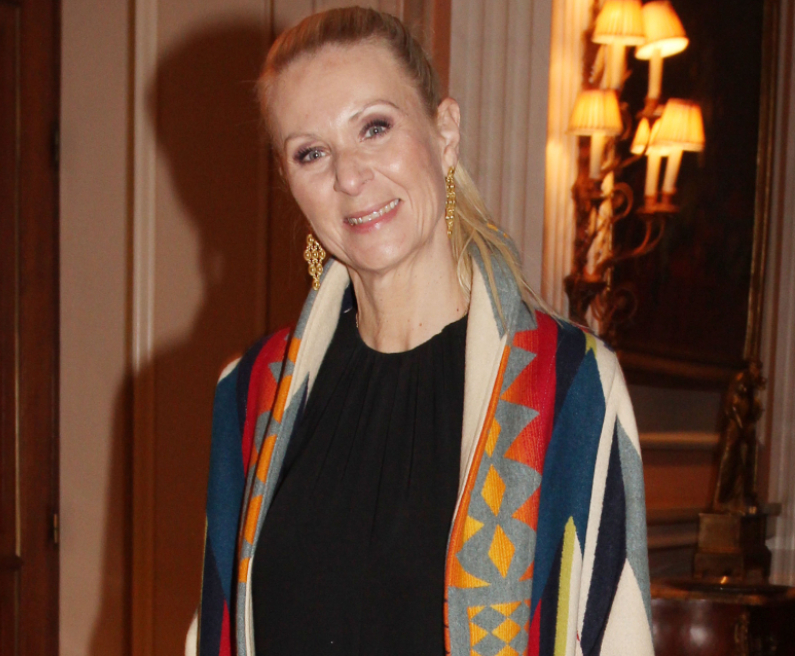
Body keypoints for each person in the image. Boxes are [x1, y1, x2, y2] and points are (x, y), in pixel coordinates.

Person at [189, 7, 653, 656]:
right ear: (289, 182)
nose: (349, 177)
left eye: (375, 127)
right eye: (311, 153)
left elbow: (616, 633)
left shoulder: (570, 388)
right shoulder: (250, 397)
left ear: (445, 132)